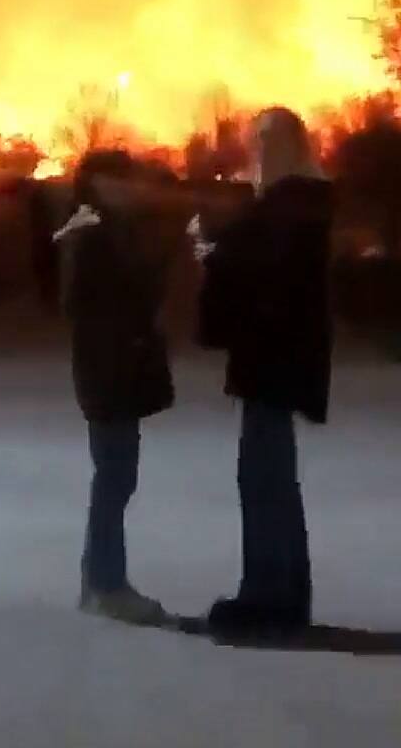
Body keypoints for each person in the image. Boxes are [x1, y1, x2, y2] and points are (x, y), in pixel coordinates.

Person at [196, 107, 333, 638]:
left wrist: (215, 255)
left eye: (266, 141)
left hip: (273, 362)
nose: (258, 150)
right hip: (279, 361)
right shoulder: (298, 203)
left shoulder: (288, 207)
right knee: (271, 479)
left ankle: (269, 598)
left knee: (264, 480)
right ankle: (283, 594)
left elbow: (265, 278)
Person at [55, 149, 176, 626]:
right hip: (109, 371)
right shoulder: (95, 235)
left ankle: (99, 580)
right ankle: (106, 584)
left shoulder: (101, 229)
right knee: (115, 477)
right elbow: (102, 302)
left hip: (110, 369)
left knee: (115, 477)